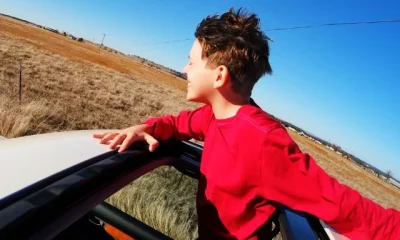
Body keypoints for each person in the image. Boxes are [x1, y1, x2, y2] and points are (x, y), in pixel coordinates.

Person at [93, 7, 400, 240]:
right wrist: (146, 128)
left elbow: (344, 206)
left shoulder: (263, 140)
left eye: (191, 61)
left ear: (219, 75)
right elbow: (178, 123)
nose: (184, 68)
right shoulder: (215, 116)